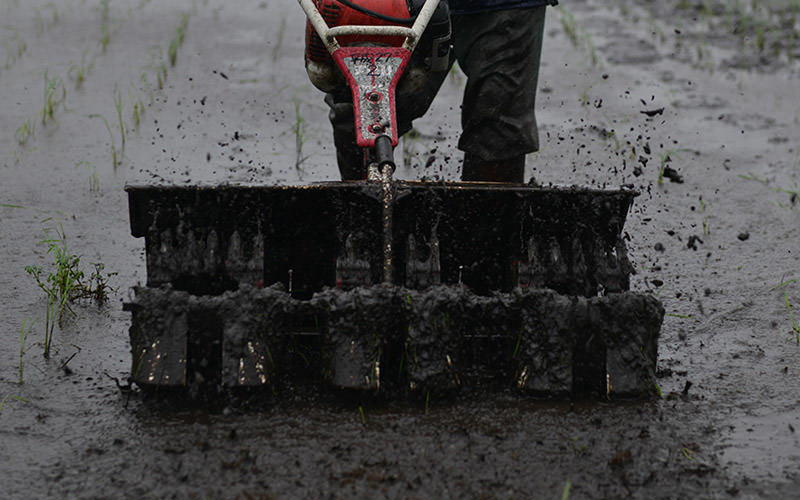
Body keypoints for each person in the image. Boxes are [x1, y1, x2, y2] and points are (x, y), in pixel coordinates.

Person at [326, 0, 558, 183]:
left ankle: (489, 228)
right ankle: (362, 224)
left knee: (500, 128)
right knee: (360, 116)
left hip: (504, 6)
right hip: (396, 5)